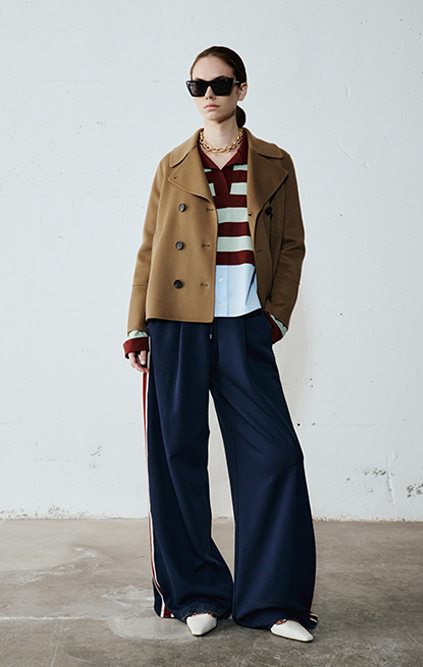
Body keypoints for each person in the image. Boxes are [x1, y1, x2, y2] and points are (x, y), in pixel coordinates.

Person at [123, 46, 317, 642]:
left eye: (221, 84)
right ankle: (196, 593)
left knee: (275, 457)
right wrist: (137, 325)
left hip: (243, 324)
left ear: (242, 89)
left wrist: (274, 318)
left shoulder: (275, 162)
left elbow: (291, 246)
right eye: (197, 85)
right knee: (177, 457)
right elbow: (151, 248)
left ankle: (273, 602)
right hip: (176, 324)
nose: (209, 94)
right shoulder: (173, 164)